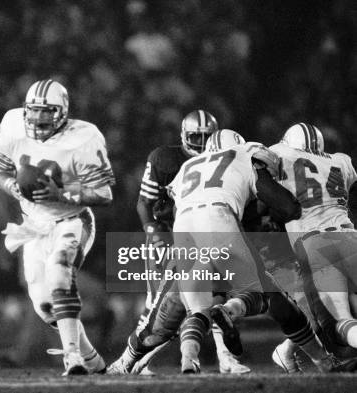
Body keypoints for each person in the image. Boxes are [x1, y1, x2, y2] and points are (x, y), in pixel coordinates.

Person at [170, 129, 356, 373]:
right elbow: (286, 206)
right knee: (274, 299)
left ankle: (189, 359)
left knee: (198, 309)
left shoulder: (187, 167)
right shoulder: (248, 153)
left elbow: (170, 208)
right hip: (235, 230)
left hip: (185, 230)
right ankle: (315, 357)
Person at [108, 111, 250, 375]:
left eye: (207, 137)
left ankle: (223, 357)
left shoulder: (218, 161)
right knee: (161, 304)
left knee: (215, 296)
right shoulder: (166, 159)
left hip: (200, 236)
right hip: (169, 235)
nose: (201, 142)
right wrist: (154, 233)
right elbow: (145, 203)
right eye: (196, 137)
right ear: (183, 136)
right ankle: (136, 361)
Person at [0, 79, 112, 375]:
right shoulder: (12, 123)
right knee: (44, 306)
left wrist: (63, 194)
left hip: (71, 220)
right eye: (34, 111)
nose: (39, 118)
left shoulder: (85, 135)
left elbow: (104, 194)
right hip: (33, 226)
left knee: (59, 274)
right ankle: (92, 358)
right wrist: (12, 186)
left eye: (48, 111)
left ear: (63, 112)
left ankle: (72, 356)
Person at [268, 123, 357, 371]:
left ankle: (288, 352)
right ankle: (287, 351)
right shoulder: (341, 161)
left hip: (312, 242)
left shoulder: (278, 153)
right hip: (349, 236)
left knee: (337, 322)